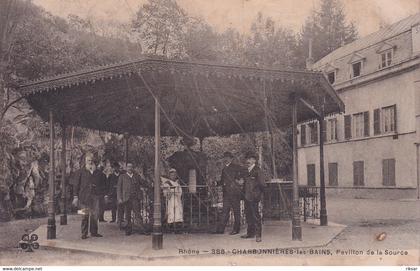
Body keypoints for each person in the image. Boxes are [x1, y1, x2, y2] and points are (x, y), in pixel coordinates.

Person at [72, 153, 104, 239]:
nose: (90, 162)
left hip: (95, 197)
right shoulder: (80, 172)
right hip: (83, 198)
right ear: (85, 162)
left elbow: (102, 184)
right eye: (88, 161)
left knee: (95, 215)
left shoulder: (98, 172)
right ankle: (84, 233)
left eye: (91, 161)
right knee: (84, 215)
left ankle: (94, 232)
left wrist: (100, 194)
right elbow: (76, 185)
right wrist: (75, 197)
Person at [215, 151, 246, 235]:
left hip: (235, 193)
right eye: (225, 157)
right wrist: (216, 183)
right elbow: (222, 181)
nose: (226, 159)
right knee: (225, 211)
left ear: (231, 158)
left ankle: (236, 229)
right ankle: (221, 229)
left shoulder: (236, 167)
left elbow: (244, 173)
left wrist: (240, 181)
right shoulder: (224, 168)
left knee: (236, 211)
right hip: (226, 194)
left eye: (228, 157)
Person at [241, 152, 266, 242]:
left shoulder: (258, 170)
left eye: (250, 159)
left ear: (254, 160)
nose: (248, 161)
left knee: (256, 216)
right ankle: (250, 233)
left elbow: (262, 184)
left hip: (254, 197)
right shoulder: (246, 171)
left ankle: (258, 235)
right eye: (247, 159)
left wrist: (258, 195)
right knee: (248, 216)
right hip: (246, 197)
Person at [117, 162, 141, 235]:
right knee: (127, 215)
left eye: (131, 167)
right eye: (128, 167)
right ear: (126, 168)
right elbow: (119, 188)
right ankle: (128, 230)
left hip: (134, 198)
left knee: (137, 214)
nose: (130, 168)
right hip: (126, 198)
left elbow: (142, 183)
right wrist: (119, 198)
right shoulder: (122, 176)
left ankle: (141, 229)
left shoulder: (136, 176)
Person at [161, 168, 183, 233]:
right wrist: (168, 192)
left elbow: (180, 192)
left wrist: (177, 192)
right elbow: (165, 193)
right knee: (171, 213)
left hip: (177, 200)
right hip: (171, 200)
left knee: (178, 213)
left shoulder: (177, 183)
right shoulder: (167, 183)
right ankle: (171, 228)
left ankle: (177, 228)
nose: (173, 176)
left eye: (174, 175)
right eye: (172, 175)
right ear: (170, 176)